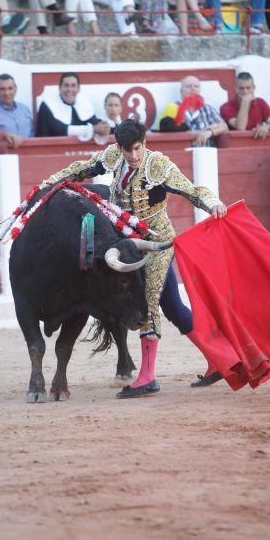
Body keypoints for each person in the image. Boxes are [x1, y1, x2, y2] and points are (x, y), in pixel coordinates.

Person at [40, 118, 227, 398]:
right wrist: (52, 182)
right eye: (128, 150)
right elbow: (84, 168)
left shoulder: (158, 165)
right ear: (119, 146)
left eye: (138, 148)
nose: (134, 155)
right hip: (127, 243)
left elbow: (192, 190)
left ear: (145, 142)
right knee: (173, 306)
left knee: (147, 301)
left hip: (156, 242)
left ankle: (148, 377)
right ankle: (220, 359)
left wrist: (213, 202)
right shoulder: (115, 156)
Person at [36, 71, 110, 140]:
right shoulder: (47, 105)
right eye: (66, 85)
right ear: (60, 88)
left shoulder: (84, 103)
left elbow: (93, 121)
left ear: (78, 89)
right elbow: (60, 129)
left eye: (73, 86)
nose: (69, 89)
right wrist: (92, 129)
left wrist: (103, 126)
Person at [159, 75, 228, 146]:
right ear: (181, 90)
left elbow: (224, 126)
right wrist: (200, 132)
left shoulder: (207, 109)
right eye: (188, 86)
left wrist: (210, 132)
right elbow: (168, 130)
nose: (193, 89)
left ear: (199, 90)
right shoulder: (172, 108)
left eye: (196, 86)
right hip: (182, 152)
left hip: (207, 151)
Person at [220, 71, 270, 139]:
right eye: (241, 88)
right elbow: (240, 127)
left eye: (248, 88)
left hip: (259, 141)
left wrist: (267, 127)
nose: (245, 92)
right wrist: (245, 102)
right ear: (235, 88)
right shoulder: (226, 107)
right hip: (237, 144)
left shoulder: (261, 102)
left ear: (254, 88)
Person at [0, 73, 34, 137]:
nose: (7, 93)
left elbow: (32, 134)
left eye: (10, 88)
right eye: (2, 89)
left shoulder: (25, 109)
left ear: (15, 89)